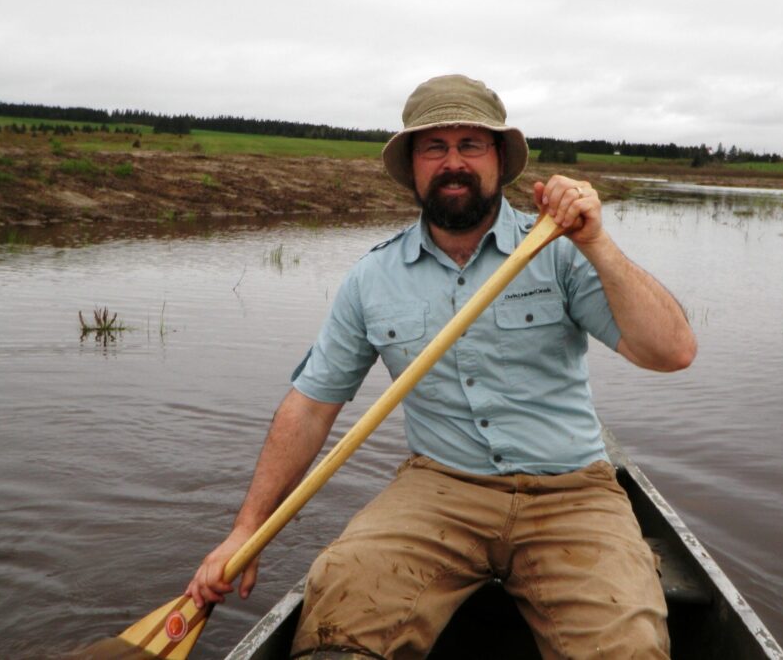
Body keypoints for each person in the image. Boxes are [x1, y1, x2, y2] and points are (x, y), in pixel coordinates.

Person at [186, 74, 697, 659]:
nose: (453, 162)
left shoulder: (560, 250)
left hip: (572, 491)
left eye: (470, 145)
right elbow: (310, 405)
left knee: (626, 643)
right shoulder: (372, 279)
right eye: (435, 147)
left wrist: (598, 245)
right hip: (439, 486)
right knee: (341, 609)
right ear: (413, 165)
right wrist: (245, 529)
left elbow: (672, 352)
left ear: (499, 159)